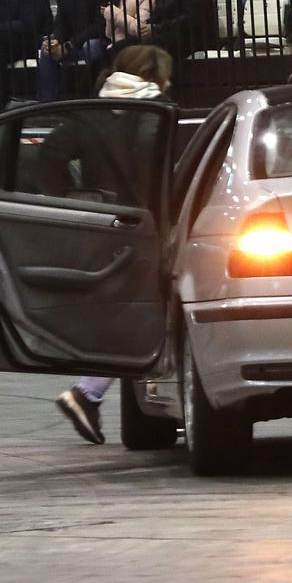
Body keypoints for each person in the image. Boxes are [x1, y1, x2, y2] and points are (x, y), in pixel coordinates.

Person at [53, 43, 176, 444]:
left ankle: (94, 394)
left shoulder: (90, 113)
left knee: (132, 315)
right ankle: (87, 392)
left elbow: (45, 157)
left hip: (102, 224)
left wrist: (77, 200)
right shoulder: (157, 111)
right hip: (146, 226)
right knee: (146, 316)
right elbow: (163, 175)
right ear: (154, 77)